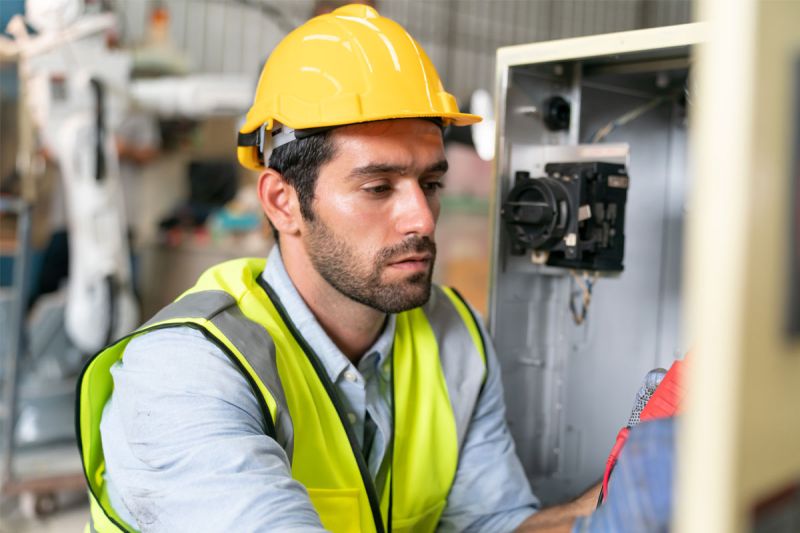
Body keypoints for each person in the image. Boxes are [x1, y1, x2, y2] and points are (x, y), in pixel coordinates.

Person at [77, 5, 599, 532]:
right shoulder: (187, 370)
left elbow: (493, 525)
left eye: (431, 184)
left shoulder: (455, 338)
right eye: (378, 187)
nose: (421, 217)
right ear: (283, 202)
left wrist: (610, 506)